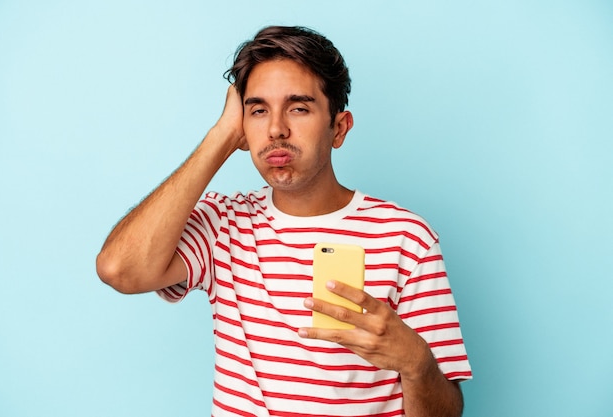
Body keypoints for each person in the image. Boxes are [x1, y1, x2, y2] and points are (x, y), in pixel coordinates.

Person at [96, 25, 472, 417]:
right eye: (258, 110)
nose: (276, 129)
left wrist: (416, 362)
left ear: (339, 128)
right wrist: (221, 135)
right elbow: (119, 269)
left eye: (298, 107)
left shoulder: (406, 238)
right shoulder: (223, 224)